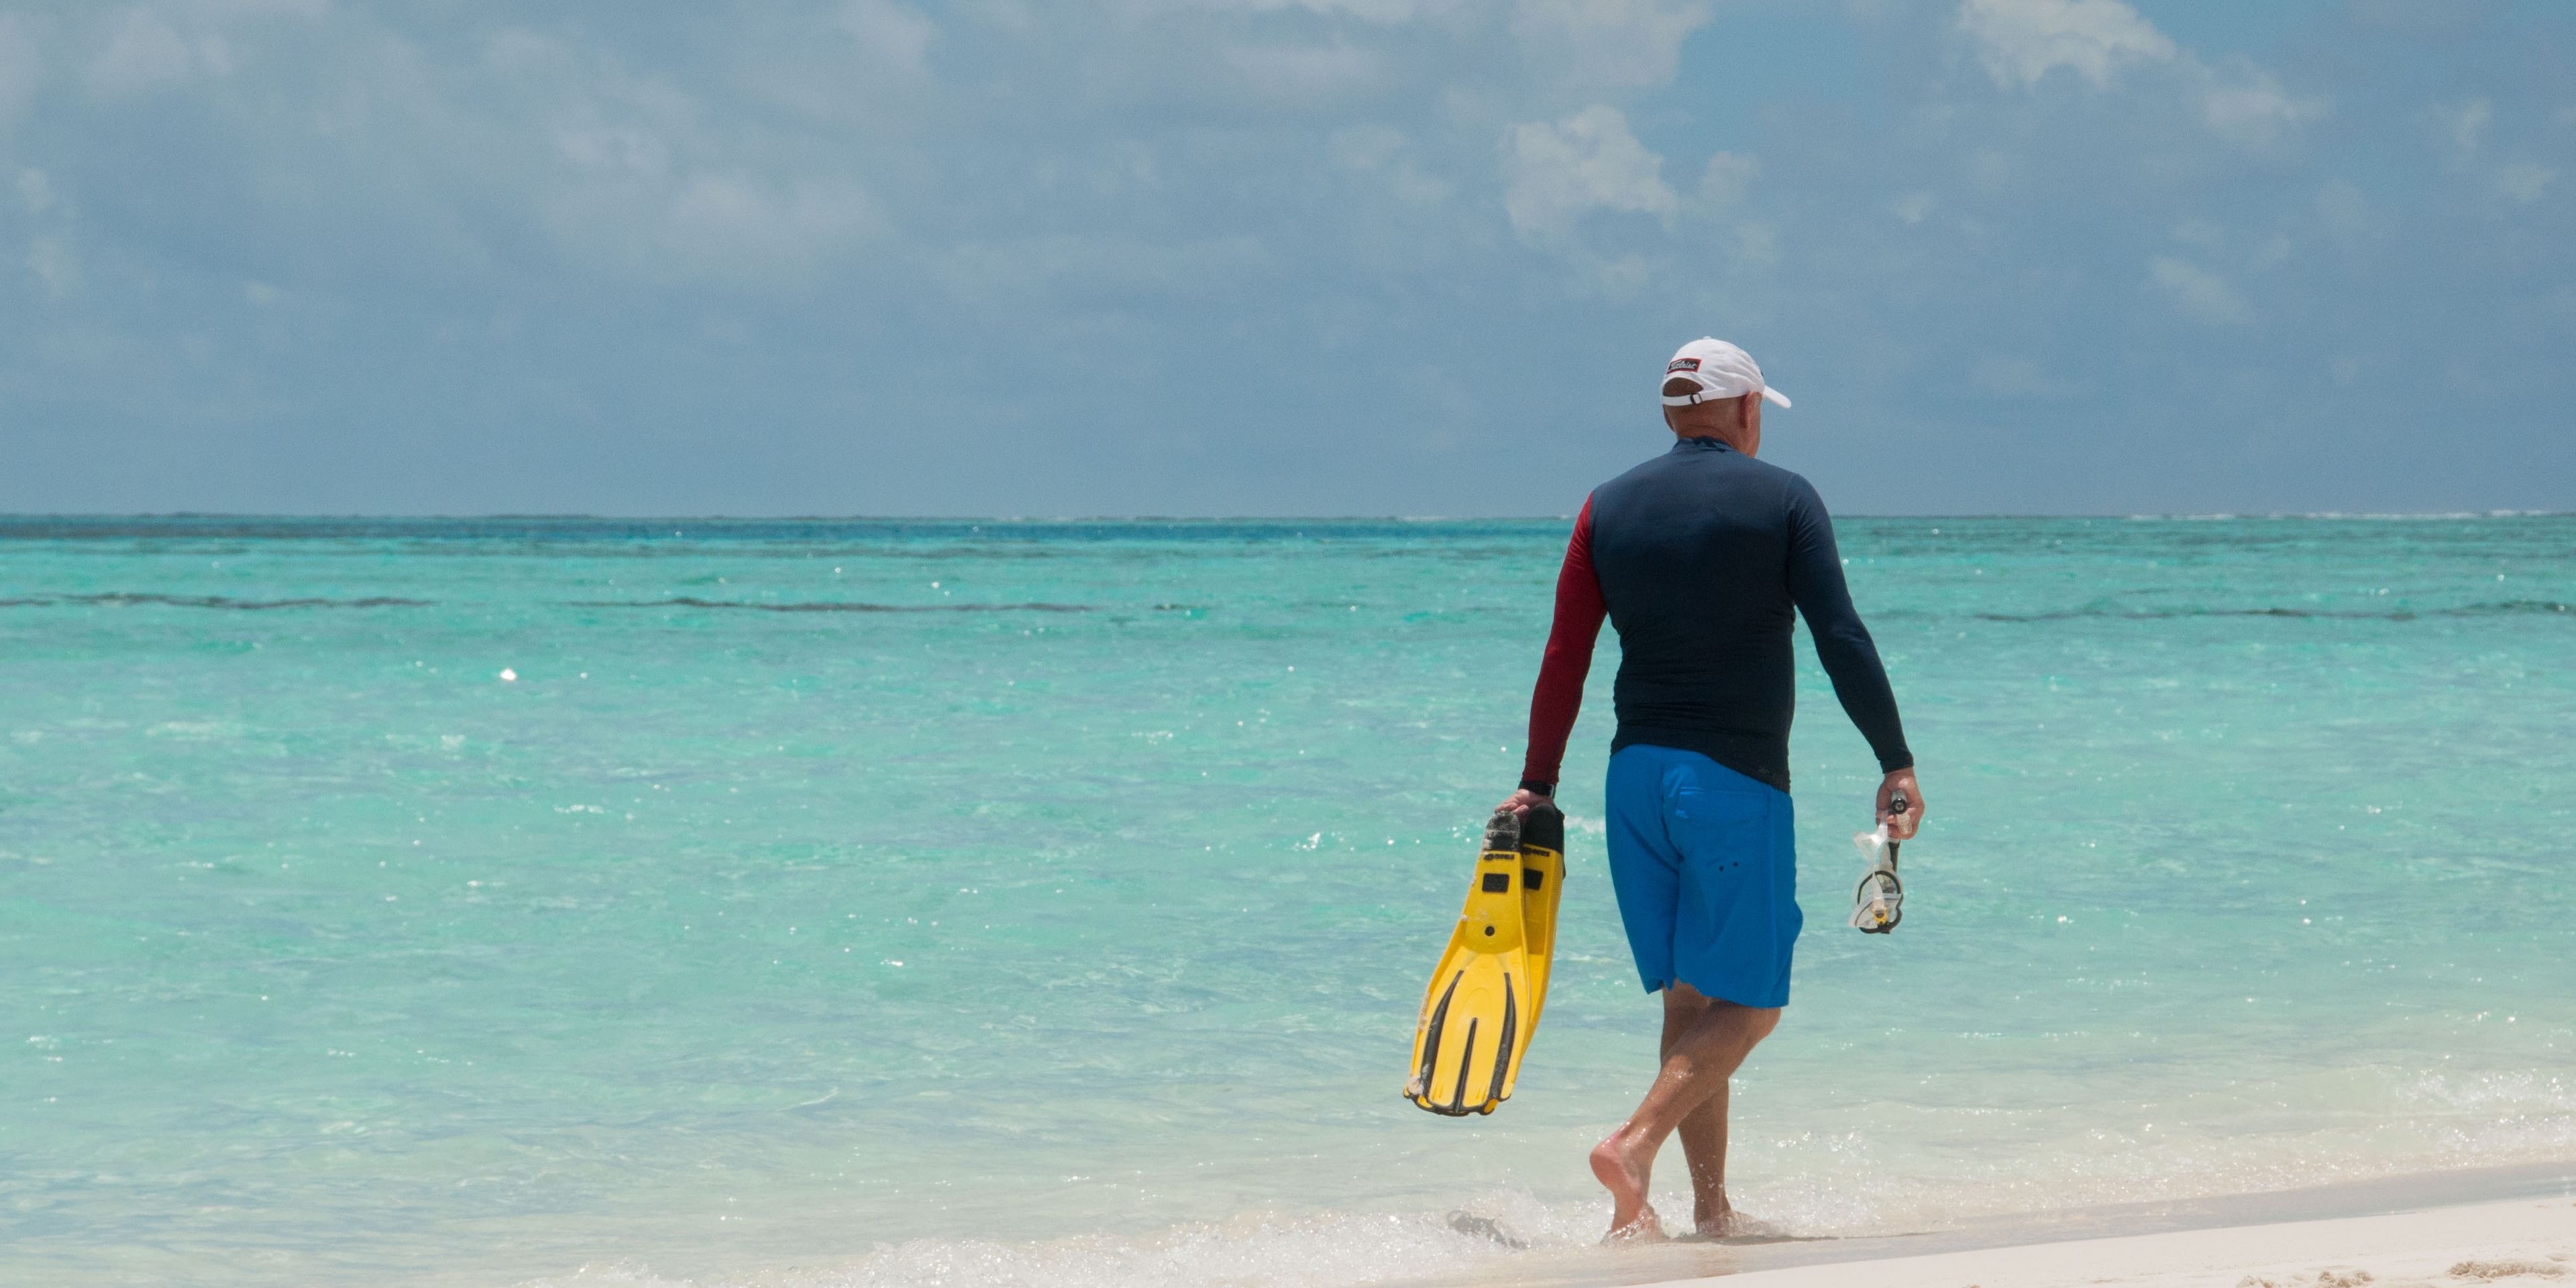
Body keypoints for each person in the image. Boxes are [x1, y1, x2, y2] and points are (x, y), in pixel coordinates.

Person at [1499, 337, 1923, 1240]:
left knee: (1692, 1004)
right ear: (1745, 409)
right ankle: (1634, 1145)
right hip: (1731, 783)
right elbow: (1838, 635)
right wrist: (1893, 756)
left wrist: (1538, 783)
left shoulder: (1605, 507)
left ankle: (1708, 1214)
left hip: (1633, 781)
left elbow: (1565, 656)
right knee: (1754, 1002)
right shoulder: (1784, 499)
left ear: (1673, 411)